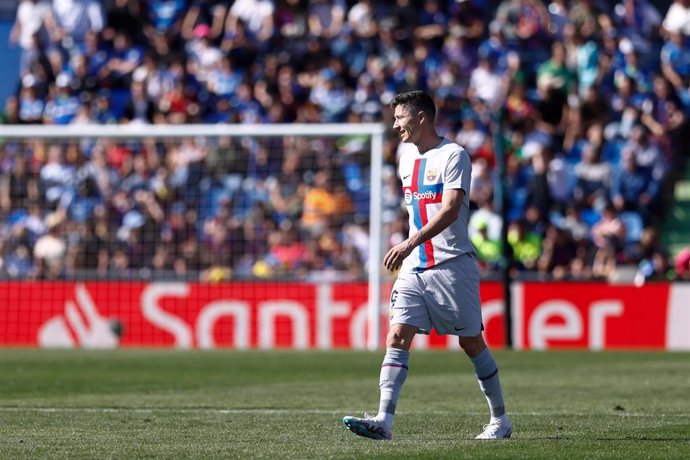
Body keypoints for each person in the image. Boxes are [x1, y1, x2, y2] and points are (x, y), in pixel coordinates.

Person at [342, 90, 512, 441]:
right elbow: (414, 212)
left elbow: (450, 209)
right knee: (397, 335)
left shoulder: (454, 155)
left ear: (421, 117)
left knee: (471, 343)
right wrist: (408, 247)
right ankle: (384, 421)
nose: (395, 125)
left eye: (400, 117)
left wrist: (408, 243)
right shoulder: (405, 158)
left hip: (451, 264)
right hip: (414, 267)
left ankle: (500, 420)